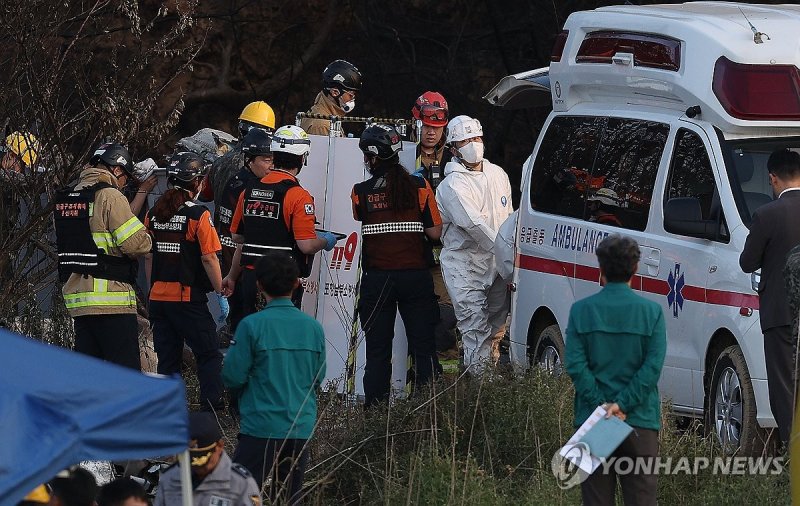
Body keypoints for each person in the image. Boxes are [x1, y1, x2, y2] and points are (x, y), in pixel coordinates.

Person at [564, 234, 665, 505]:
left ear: (601, 268)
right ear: (635, 268)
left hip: (593, 419)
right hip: (640, 419)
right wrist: (622, 405)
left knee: (596, 500)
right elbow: (651, 368)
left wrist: (603, 407)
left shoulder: (580, 311)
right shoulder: (652, 312)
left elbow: (575, 365)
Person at [350, 124, 442, 406]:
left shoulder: (360, 192)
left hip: (377, 281)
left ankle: (375, 416)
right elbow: (435, 233)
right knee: (424, 347)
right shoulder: (420, 186)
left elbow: (357, 215)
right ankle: (429, 409)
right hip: (415, 277)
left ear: (372, 157)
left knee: (377, 351)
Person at [223, 252, 326, 503]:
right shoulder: (312, 327)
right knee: (289, 496)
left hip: (260, 426)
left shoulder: (252, 325)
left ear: (258, 285)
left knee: (238, 495)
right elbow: (319, 376)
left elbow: (232, 376)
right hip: (300, 426)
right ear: (296, 284)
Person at [55, 142, 152, 369]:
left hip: (79, 301)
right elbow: (135, 244)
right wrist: (148, 238)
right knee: (125, 374)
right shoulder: (110, 196)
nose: (124, 183)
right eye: (125, 177)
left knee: (90, 375)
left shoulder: (69, 196)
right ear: (117, 170)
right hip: (112, 301)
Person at [225, 125, 337, 314]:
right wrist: (326, 240)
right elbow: (306, 246)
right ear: (302, 158)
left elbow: (236, 236)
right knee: (282, 337)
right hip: (282, 281)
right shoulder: (299, 196)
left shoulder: (249, 191)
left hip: (251, 278)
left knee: (253, 335)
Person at [145, 151, 225, 412]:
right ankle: (211, 413)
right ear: (198, 182)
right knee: (209, 353)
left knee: (167, 361)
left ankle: (168, 414)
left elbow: (148, 257)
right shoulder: (198, 215)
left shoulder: (154, 213)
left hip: (158, 298)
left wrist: (152, 290)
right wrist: (220, 290)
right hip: (187, 298)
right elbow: (209, 259)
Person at [435, 115, 513, 371]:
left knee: (496, 330)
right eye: (465, 140)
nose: (473, 144)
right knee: (474, 328)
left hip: (497, 264)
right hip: (465, 266)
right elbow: (473, 225)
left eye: (476, 138)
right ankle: (479, 393)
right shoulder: (452, 185)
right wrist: (507, 252)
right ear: (453, 148)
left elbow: (509, 216)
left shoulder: (498, 174)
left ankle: (486, 388)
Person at [740, 148, 800, 446]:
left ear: (772, 178)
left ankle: (794, 457)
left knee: (785, 387)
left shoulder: (767, 214)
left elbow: (747, 262)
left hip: (781, 314)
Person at [215, 128, 274, 334]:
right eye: (266, 160)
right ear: (249, 160)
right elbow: (242, 236)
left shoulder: (235, 180)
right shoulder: (247, 188)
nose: (271, 166)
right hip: (238, 266)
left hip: (233, 263)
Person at [154, 412, 261, 506]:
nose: (198, 467)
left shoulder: (241, 483)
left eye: (204, 461)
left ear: (219, 446)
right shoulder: (170, 479)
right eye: (191, 460)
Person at [199, 101, 276, 211]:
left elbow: (204, 195)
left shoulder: (219, 162)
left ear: (241, 128)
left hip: (220, 227)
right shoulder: (258, 165)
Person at [300, 59, 362, 136]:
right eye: (351, 95)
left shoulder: (326, 116)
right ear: (335, 92)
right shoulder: (323, 125)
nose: (352, 99)